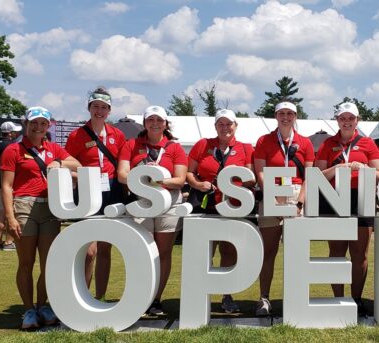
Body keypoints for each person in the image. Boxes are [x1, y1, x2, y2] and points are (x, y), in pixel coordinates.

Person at [0, 107, 80, 329]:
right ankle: (28, 310)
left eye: (43, 123)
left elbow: (78, 165)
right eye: (34, 123)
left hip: (50, 209)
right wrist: (10, 216)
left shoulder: (53, 148)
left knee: (48, 263)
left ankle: (43, 305)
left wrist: (60, 163)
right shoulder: (13, 149)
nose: (38, 127)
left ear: (49, 126)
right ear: (26, 124)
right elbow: (6, 186)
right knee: (26, 262)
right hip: (23, 206)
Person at [118, 105, 187, 316]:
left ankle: (156, 299)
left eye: (159, 120)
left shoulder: (175, 148)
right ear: (145, 122)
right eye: (151, 119)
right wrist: (141, 182)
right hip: (142, 203)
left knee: (163, 253)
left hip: (168, 205)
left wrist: (157, 180)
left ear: (166, 124)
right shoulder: (132, 144)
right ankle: (142, 296)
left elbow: (180, 180)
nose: (155, 123)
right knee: (143, 252)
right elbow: (122, 174)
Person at [315, 102, 379, 315]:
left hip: (362, 200)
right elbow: (317, 176)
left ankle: (356, 299)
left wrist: (366, 169)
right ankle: (338, 299)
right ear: (337, 120)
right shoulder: (327, 143)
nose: (347, 122)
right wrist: (337, 168)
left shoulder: (368, 143)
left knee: (359, 254)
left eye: (351, 118)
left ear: (357, 120)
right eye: (343, 118)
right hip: (335, 200)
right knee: (336, 252)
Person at [187, 109, 255, 313]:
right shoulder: (203, 144)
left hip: (233, 205)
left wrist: (233, 182)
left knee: (229, 250)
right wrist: (199, 185)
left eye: (229, 124)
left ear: (236, 126)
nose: (225, 128)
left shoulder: (245, 148)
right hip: (206, 204)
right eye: (221, 124)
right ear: (215, 126)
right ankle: (200, 292)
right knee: (204, 250)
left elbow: (251, 178)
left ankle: (226, 294)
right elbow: (190, 173)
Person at [253, 100, 314, 316]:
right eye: (282, 113)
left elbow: (309, 176)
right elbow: (259, 171)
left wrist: (300, 202)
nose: (286, 117)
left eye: (290, 113)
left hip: (296, 196)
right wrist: (271, 194)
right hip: (272, 195)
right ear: (276, 116)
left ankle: (295, 297)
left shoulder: (305, 142)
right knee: (268, 251)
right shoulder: (264, 140)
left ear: (295, 116)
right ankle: (264, 298)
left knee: (296, 252)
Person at [65, 87, 125, 300]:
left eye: (104, 107)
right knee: (88, 251)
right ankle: (83, 296)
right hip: (88, 192)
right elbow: (68, 162)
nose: (99, 111)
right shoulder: (77, 135)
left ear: (109, 111)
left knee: (105, 248)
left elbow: (122, 164)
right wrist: (77, 178)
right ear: (89, 108)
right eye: (95, 106)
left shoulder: (117, 134)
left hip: (110, 191)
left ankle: (99, 298)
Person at [0, 121, 22, 250]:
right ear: (10, 133)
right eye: (15, 131)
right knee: (12, 211)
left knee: (1, 210)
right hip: (10, 182)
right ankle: (9, 242)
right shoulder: (13, 146)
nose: (17, 133)